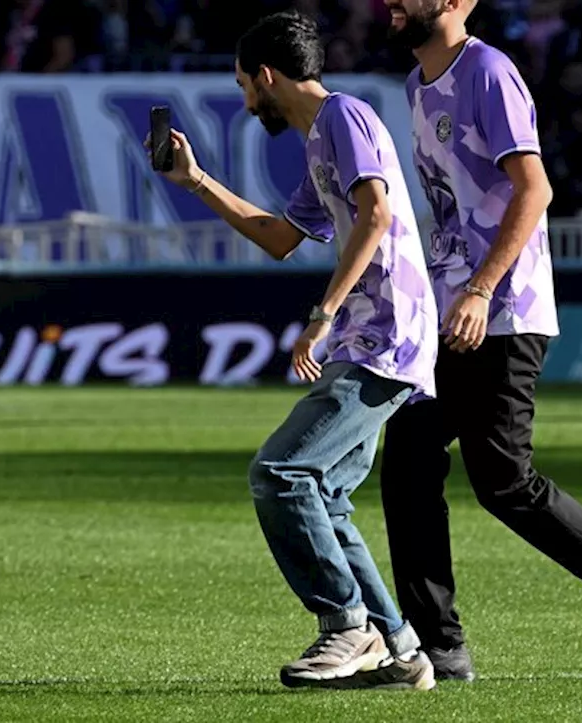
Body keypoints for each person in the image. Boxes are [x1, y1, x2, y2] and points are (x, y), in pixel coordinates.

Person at [379, 0, 582, 681]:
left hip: (503, 309)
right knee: (407, 456)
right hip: (455, 308)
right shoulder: (416, 85)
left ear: (459, 3)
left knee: (502, 480)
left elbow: (534, 187)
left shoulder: (488, 72)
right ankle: (438, 643)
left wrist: (483, 290)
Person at [150, 11, 437, 691]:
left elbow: (377, 215)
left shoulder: (344, 118)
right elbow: (282, 237)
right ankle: (400, 648)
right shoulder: (323, 138)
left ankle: (346, 625)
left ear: (266, 75)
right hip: (372, 336)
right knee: (326, 495)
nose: (247, 100)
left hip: (381, 337)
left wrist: (322, 314)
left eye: (245, 84)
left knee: (280, 471)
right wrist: (195, 180)